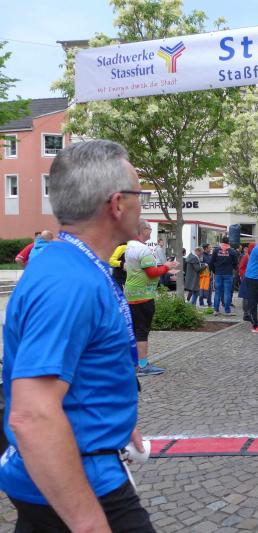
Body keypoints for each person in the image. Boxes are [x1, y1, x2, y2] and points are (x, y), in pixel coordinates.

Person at [0, 140, 155, 531]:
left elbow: (82, 365)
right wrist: (89, 525)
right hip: (84, 482)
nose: (143, 205)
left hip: (66, 472)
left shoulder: (71, 265)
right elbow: (32, 415)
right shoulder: (69, 282)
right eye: (140, 195)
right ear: (117, 204)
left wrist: (111, 415)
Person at [125, 220, 179, 376]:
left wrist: (163, 269)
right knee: (142, 331)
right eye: (149, 229)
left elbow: (140, 269)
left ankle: (134, 362)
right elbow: (152, 273)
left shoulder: (130, 246)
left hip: (132, 293)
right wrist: (167, 266)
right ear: (143, 230)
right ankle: (142, 365)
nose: (150, 232)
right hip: (143, 295)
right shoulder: (143, 249)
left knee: (135, 329)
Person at [210, 236, 239, 316]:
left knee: (217, 292)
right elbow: (236, 263)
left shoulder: (216, 250)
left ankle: (216, 310)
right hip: (228, 274)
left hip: (218, 274)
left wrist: (215, 271)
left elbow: (211, 262)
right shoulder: (232, 251)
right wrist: (232, 268)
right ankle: (227, 310)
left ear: (221, 241)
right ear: (228, 242)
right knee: (227, 292)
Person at [238, 243, 253, 323]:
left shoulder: (252, 256)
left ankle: (249, 313)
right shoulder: (246, 256)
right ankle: (246, 314)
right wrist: (243, 276)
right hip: (247, 278)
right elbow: (241, 268)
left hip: (251, 278)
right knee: (246, 297)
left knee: (249, 297)